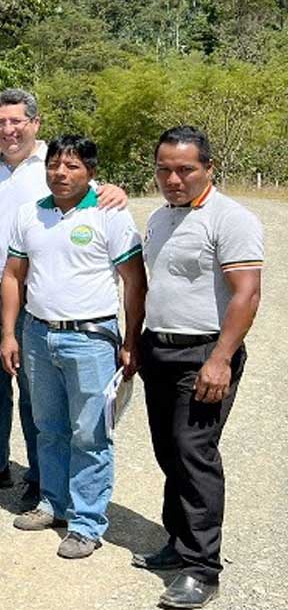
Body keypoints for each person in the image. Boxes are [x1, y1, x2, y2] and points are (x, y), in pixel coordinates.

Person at [0, 89, 128, 507]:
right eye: (0, 122)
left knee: (37, 393)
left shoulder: (54, 165)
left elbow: (96, 195)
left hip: (35, 298)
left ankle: (40, 474)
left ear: (35, 123)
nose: (8, 130)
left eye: (17, 122)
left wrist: (116, 191)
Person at [133, 126, 263, 609]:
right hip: (159, 351)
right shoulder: (160, 218)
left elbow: (246, 294)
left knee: (195, 453)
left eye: (185, 169)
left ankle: (203, 568)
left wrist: (221, 358)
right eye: (164, 168)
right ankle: (178, 543)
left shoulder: (231, 219)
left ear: (208, 168)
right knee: (169, 451)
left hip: (205, 355)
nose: (173, 178)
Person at [0, 135, 146, 560]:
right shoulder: (31, 214)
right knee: (49, 428)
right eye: (54, 165)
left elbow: (135, 282)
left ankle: (86, 523)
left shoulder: (110, 213)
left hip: (91, 339)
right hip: (38, 334)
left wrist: (131, 340)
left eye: (73, 166)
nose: (61, 173)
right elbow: (13, 276)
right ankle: (53, 503)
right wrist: (10, 333)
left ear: (91, 172)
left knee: (91, 433)